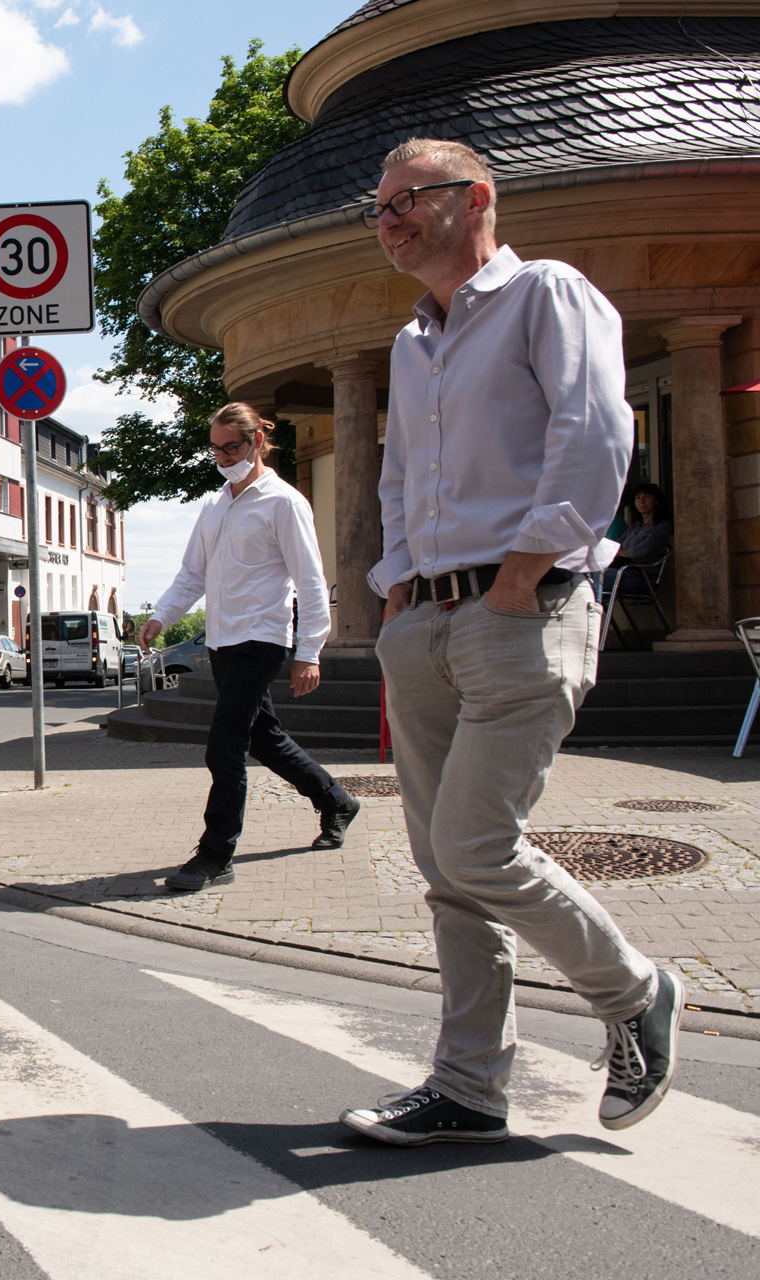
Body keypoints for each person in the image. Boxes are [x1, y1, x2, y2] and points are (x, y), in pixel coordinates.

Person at [343, 138, 682, 1147]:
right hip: (427, 620)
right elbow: (398, 478)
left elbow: (593, 433)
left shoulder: (547, 294)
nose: (389, 219)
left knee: (476, 844)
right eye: (381, 206)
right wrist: (397, 589)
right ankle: (468, 1084)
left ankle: (634, 988)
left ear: (476, 197)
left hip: (519, 609)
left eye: (407, 199)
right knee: (448, 871)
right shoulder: (411, 344)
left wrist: (520, 576)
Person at [141, 403, 359, 895]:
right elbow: (192, 573)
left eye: (232, 447)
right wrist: (162, 615)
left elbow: (310, 580)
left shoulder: (284, 503)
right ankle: (336, 800)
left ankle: (216, 854)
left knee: (226, 743)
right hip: (221, 638)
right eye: (215, 448)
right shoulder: (214, 505)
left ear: (258, 440)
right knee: (263, 737)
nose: (222, 457)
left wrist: (309, 651)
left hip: (261, 638)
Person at [601, 482, 672, 597]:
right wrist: (627, 554)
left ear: (656, 501)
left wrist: (628, 553)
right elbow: (612, 547)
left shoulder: (662, 526)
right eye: (637, 498)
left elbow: (636, 551)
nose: (641, 501)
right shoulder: (635, 526)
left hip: (640, 578)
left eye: (647, 497)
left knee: (591, 576)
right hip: (622, 570)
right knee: (585, 574)